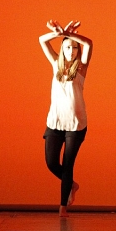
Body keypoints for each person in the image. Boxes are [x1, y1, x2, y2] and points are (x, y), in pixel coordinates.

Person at [39, 20, 93, 217]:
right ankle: (72, 184)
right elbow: (42, 40)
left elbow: (89, 43)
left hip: (76, 124)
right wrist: (59, 33)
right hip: (55, 121)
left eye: (75, 48)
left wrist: (72, 35)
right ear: (62, 49)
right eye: (68, 47)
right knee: (51, 162)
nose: (71, 51)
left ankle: (63, 207)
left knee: (68, 163)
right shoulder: (56, 64)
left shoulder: (81, 68)